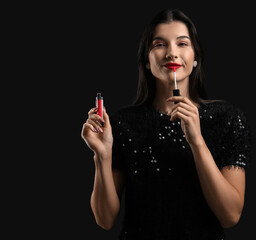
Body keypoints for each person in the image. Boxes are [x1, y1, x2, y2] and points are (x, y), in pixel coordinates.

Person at [81, 9, 252, 240]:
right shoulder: (123, 123)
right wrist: (102, 156)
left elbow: (230, 215)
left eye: (182, 44)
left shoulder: (228, 119)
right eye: (159, 44)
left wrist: (197, 141)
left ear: (195, 59)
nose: (172, 53)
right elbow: (104, 219)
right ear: (147, 61)